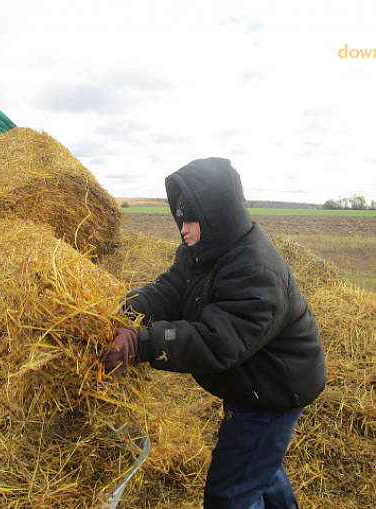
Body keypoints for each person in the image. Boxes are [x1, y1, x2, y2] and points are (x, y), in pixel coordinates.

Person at [102, 157, 326, 509]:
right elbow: (170, 290)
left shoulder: (256, 270)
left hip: (275, 389)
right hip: (253, 381)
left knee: (231, 493)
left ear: (215, 215)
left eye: (191, 219)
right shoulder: (203, 250)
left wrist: (140, 343)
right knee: (260, 468)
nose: (183, 228)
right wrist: (120, 311)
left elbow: (215, 340)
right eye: (180, 219)